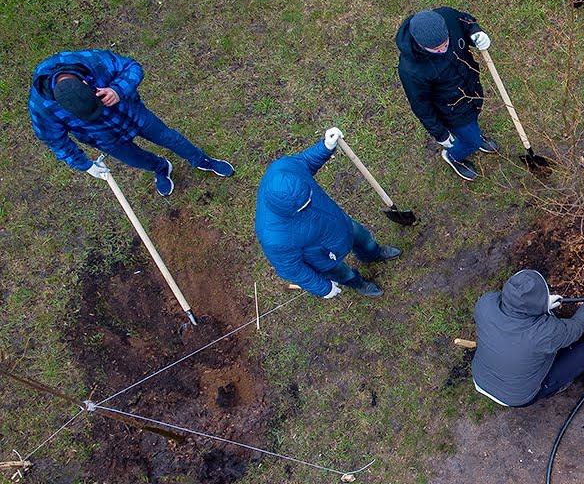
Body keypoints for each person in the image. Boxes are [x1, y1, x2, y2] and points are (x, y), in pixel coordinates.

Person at [29, 49, 234, 196]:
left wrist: (117, 90)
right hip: (105, 139)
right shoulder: (42, 107)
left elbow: (132, 67)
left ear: (85, 82)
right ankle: (161, 168)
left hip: (132, 114)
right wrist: (84, 165)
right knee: (137, 160)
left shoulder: (90, 62)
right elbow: (54, 140)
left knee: (170, 138)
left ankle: (201, 160)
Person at [254, 128, 400, 299]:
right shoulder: (274, 238)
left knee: (362, 237)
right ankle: (359, 284)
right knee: (344, 274)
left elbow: (305, 162)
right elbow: (292, 269)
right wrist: (323, 288)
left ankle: (373, 253)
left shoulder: (283, 170)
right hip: (322, 255)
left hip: (338, 223)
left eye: (308, 196)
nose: (310, 200)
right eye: (304, 205)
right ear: (290, 212)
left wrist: (325, 147)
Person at [471, 270, 584, 407]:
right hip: (515, 397)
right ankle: (549, 388)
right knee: (583, 353)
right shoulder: (545, 332)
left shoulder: (485, 304)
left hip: (480, 377)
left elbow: (513, 304)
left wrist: (542, 305)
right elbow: (575, 329)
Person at [395, 6, 500, 183]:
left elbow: (466, 21)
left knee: (474, 120)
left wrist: (476, 32)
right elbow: (421, 106)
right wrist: (441, 134)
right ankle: (453, 156)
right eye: (436, 48)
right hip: (452, 110)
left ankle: (474, 135)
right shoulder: (411, 71)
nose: (444, 49)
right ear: (420, 44)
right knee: (470, 141)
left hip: (471, 89)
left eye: (446, 43)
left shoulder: (447, 17)